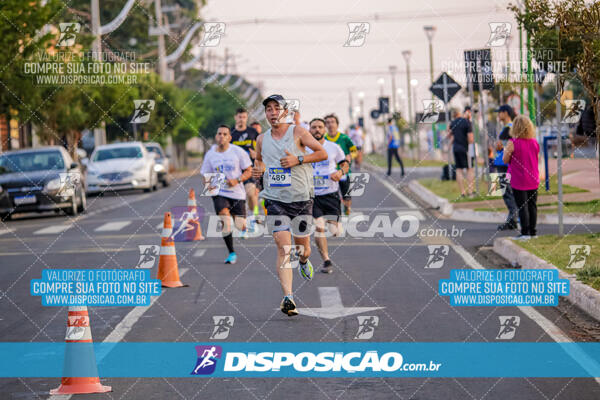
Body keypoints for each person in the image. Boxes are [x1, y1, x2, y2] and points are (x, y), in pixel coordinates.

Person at [253, 94, 327, 316]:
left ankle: (304, 261)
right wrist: (258, 170)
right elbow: (259, 160)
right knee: (283, 246)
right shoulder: (261, 139)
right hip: (275, 200)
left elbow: (321, 153)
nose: (273, 113)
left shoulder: (298, 132)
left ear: (285, 112)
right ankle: (288, 297)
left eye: (277, 108)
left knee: (302, 249)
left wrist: (298, 159)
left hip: (301, 198)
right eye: (269, 109)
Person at [201, 125, 252, 264]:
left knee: (239, 223)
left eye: (225, 134)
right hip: (220, 192)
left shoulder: (238, 151)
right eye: (219, 134)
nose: (222, 136)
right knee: (224, 218)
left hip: (237, 192)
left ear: (229, 137)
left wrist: (237, 180)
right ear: (216, 136)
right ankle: (231, 253)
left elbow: (249, 170)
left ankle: (244, 226)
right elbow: (205, 174)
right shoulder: (211, 154)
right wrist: (212, 191)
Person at [307, 118, 349, 274]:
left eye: (319, 127)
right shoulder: (303, 148)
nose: (317, 129)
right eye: (314, 127)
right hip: (312, 196)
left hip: (331, 194)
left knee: (335, 231)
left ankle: (337, 223)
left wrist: (340, 172)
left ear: (324, 130)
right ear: (309, 130)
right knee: (319, 228)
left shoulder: (334, 147)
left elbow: (345, 164)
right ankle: (326, 260)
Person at [503, 115, 540, 240]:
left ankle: (525, 233)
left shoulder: (512, 143)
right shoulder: (535, 142)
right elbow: (536, 158)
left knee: (522, 206)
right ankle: (533, 232)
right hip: (533, 178)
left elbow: (505, 159)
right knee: (532, 205)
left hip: (519, 179)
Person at [231, 108, 260, 223]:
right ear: (235, 117)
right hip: (233, 171)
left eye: (243, 117)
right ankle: (240, 218)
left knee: (250, 192)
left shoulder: (252, 132)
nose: (241, 119)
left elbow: (262, 148)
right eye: (239, 117)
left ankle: (254, 214)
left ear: (247, 118)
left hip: (249, 169)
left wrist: (256, 154)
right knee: (235, 198)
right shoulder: (230, 132)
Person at [324, 114, 357, 215]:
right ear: (325, 125)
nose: (330, 124)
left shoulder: (344, 138)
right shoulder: (323, 139)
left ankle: (346, 210)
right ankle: (333, 212)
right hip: (329, 173)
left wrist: (350, 156)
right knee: (331, 195)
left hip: (343, 172)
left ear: (337, 124)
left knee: (346, 195)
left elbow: (354, 151)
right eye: (328, 122)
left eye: (332, 122)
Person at [494, 104, 518, 231]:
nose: (498, 115)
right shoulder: (507, 127)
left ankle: (512, 219)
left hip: (505, 164)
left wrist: (500, 147)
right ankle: (513, 218)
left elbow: (511, 147)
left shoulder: (510, 128)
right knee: (506, 192)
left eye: (500, 112)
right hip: (502, 163)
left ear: (506, 113)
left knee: (507, 192)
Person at [449, 108, 475, 197]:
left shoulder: (452, 123)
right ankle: (471, 192)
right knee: (469, 169)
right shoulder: (466, 122)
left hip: (455, 148)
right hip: (465, 149)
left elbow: (450, 136)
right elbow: (471, 139)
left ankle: (462, 192)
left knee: (458, 170)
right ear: (460, 113)